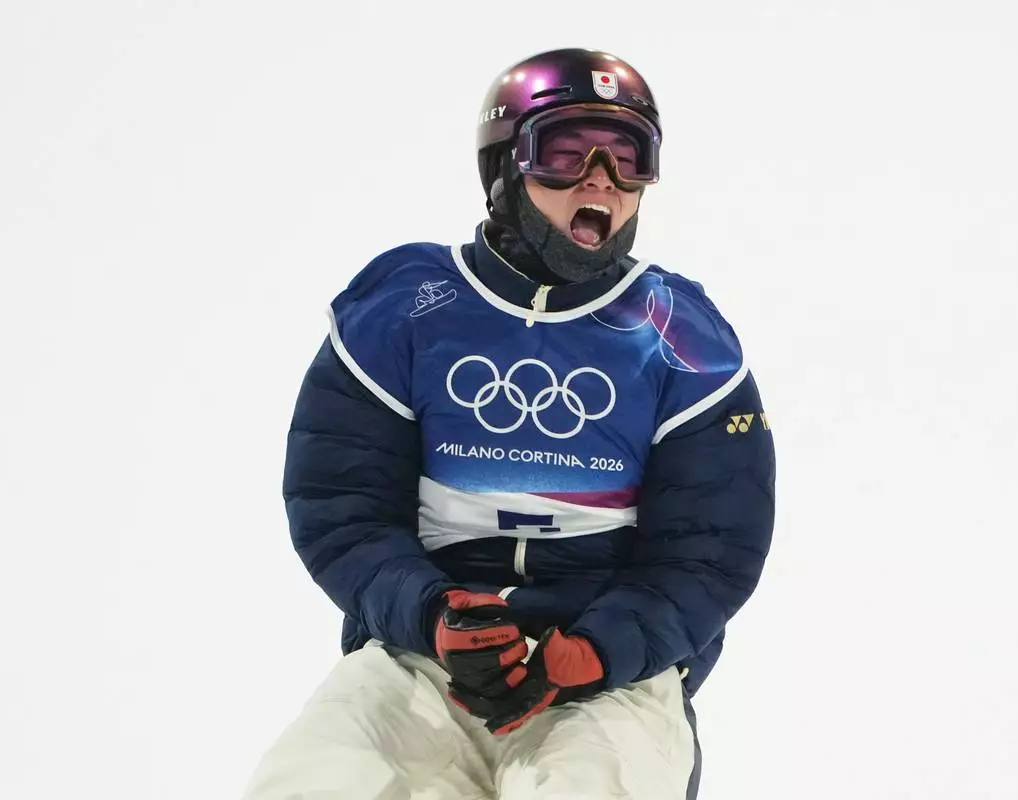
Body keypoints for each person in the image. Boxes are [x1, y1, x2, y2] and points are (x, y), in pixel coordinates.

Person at [241, 47, 776, 800]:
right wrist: (431, 615)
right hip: (422, 658)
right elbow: (342, 510)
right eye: (564, 152)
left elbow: (712, 550)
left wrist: (599, 649)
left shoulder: (680, 339)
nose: (602, 180)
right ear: (504, 169)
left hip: (604, 677)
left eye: (629, 158)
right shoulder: (406, 309)